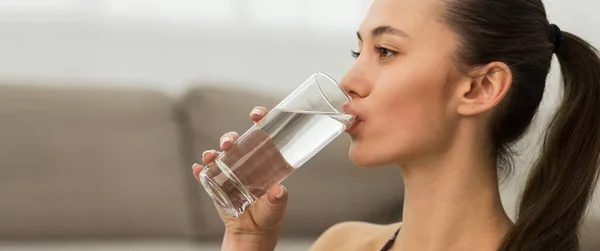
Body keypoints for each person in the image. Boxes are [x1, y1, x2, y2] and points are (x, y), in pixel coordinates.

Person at [192, 0, 600, 250]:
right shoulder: (341, 245)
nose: (349, 80)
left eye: (385, 51)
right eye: (359, 49)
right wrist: (247, 241)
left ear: (480, 87)